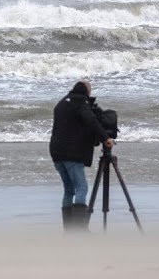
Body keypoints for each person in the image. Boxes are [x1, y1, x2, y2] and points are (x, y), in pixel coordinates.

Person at [49, 80, 114, 230]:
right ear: (86, 91)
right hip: (71, 153)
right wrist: (105, 138)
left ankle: (69, 230)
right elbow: (91, 121)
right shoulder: (80, 103)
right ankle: (79, 230)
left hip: (56, 152)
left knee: (69, 189)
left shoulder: (62, 103)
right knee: (81, 188)